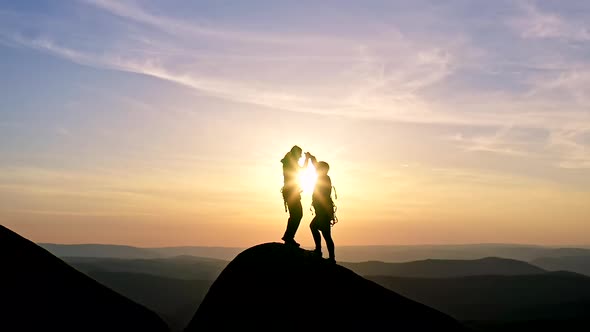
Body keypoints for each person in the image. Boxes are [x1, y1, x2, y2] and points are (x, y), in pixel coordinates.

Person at [307, 152, 336, 263]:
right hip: (323, 211)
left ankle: (322, 253)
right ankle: (325, 254)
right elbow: (316, 165)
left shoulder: (324, 178)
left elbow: (323, 196)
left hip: (323, 212)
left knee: (324, 234)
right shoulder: (323, 177)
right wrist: (311, 158)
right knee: (320, 230)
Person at [280, 145, 309, 246]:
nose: (300, 157)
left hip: (291, 191)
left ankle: (288, 236)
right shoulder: (291, 162)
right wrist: (307, 159)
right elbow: (302, 169)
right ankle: (289, 237)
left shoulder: (288, 161)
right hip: (291, 191)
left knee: (295, 215)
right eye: (300, 155)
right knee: (297, 214)